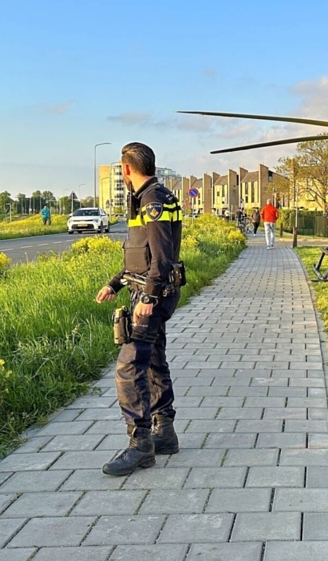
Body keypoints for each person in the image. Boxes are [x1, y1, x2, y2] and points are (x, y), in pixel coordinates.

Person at [95, 142, 184, 476]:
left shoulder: (153, 200)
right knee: (153, 359)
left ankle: (140, 445)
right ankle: (165, 433)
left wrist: (149, 296)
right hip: (145, 288)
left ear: (126, 169)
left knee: (129, 367)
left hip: (152, 294)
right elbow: (139, 252)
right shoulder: (148, 197)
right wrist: (114, 283)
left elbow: (162, 255)